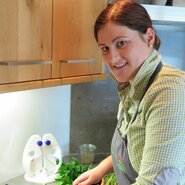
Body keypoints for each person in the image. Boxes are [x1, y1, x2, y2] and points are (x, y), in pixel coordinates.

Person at [73, 0, 185, 184]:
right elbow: (137, 148)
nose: (113, 58)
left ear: (149, 37)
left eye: (122, 43)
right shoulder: (132, 86)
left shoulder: (169, 91)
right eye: (105, 48)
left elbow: (155, 182)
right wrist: (100, 170)